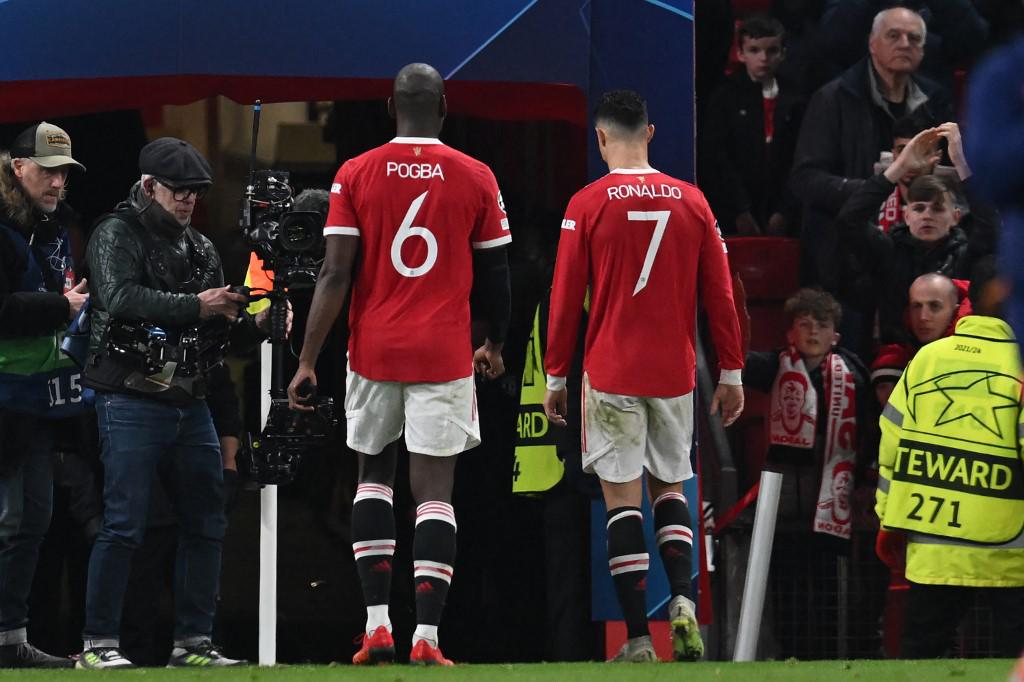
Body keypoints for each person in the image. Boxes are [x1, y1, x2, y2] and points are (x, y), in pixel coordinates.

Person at [287, 63, 512, 667]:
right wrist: (494, 345)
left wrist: (308, 359)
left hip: (375, 350)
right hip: (443, 352)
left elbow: (334, 273)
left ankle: (378, 626)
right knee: (434, 494)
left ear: (391, 107)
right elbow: (497, 274)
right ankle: (428, 639)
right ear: (443, 107)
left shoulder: (355, 173)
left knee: (373, 478)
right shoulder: (476, 175)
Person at [542, 90, 744, 662]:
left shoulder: (586, 203)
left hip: (611, 369)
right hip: (673, 373)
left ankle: (636, 639)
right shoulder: (693, 202)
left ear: (600, 137)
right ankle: (681, 599)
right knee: (671, 488)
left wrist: (557, 375)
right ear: (650, 133)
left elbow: (563, 300)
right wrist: (729, 370)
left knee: (621, 501)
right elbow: (722, 295)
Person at [77, 137, 254, 669]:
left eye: (196, 193)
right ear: (149, 186)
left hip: (190, 400)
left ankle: (193, 642)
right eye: (179, 191)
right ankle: (97, 643)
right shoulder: (115, 232)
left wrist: (259, 324)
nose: (188, 202)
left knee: (207, 521)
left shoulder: (200, 247)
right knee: (124, 523)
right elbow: (119, 297)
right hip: (128, 395)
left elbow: (223, 333)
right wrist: (200, 305)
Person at [875, 260, 1024, 658]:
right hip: (1011, 553)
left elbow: (891, 445)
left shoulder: (927, 359)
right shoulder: (1019, 364)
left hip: (933, 546)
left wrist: (890, 520)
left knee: (920, 661)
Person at [0, 122, 88, 668]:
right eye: (48, 170)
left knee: (33, 518)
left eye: (63, 173)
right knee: (13, 520)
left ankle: (9, 640)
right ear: (17, 167)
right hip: (5, 399)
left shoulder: (52, 232)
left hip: (31, 401)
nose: (57, 182)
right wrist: (61, 308)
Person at [790, 6, 951, 284]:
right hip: (845, 258)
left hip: (918, 258)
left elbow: (950, 172)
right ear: (872, 44)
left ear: (923, 51)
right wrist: (876, 188)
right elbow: (805, 179)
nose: (904, 44)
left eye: (914, 39)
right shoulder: (832, 99)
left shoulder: (934, 101)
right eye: (894, 35)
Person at [700, 14, 804, 236]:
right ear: (740, 53)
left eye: (772, 51)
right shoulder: (725, 97)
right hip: (734, 209)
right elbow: (716, 158)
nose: (763, 58)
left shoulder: (795, 98)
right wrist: (740, 210)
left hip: (782, 208)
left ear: (783, 53)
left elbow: (800, 157)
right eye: (754, 50)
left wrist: (785, 211)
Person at [870, 273, 967, 407]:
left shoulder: (970, 357)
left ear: (954, 311)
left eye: (934, 306)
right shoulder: (897, 360)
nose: (923, 317)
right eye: (917, 306)